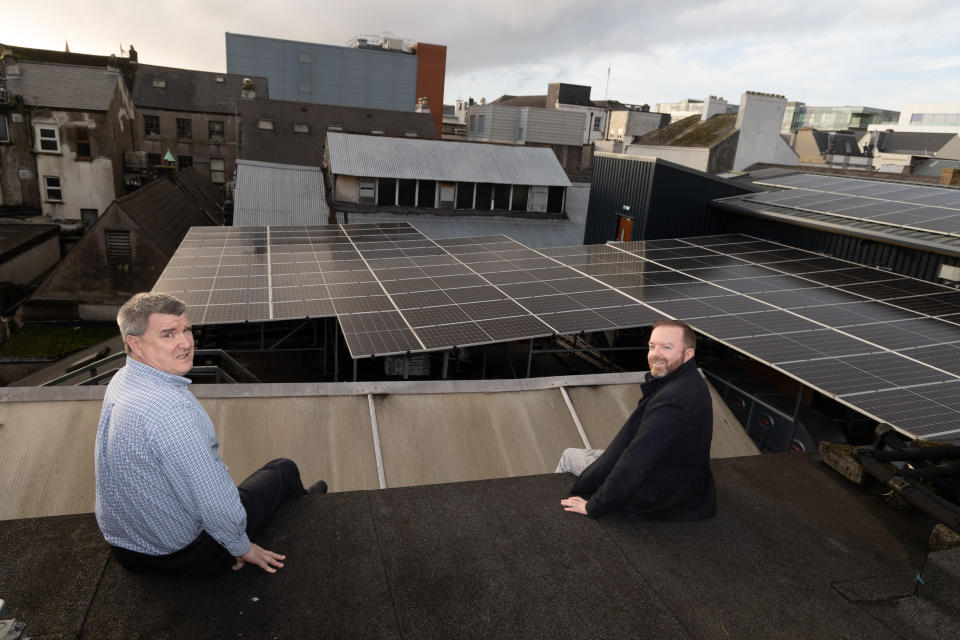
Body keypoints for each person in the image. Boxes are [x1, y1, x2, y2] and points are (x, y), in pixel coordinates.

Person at [95, 292, 325, 576]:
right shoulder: (172, 410)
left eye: (187, 330)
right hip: (181, 555)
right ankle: (308, 508)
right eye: (168, 335)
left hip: (126, 549)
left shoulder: (121, 381)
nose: (186, 343)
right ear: (135, 344)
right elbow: (213, 500)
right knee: (283, 469)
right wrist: (242, 546)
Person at [557, 318, 716, 521]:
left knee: (570, 455)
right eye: (652, 346)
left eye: (667, 347)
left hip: (654, 490)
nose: (656, 354)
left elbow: (636, 460)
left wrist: (594, 506)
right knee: (600, 457)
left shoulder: (672, 401)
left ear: (688, 354)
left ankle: (554, 515)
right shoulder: (691, 381)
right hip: (680, 481)